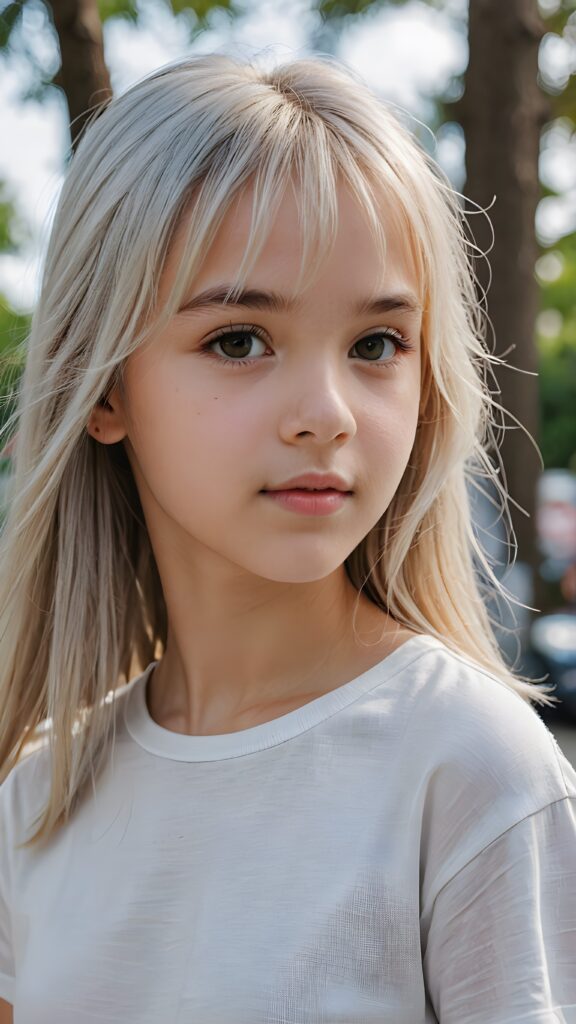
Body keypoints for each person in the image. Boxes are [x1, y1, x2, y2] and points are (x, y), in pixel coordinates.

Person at [0, 53, 574, 1024]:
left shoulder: (473, 769)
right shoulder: (38, 797)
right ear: (102, 387)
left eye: (376, 344)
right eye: (238, 340)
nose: (326, 413)